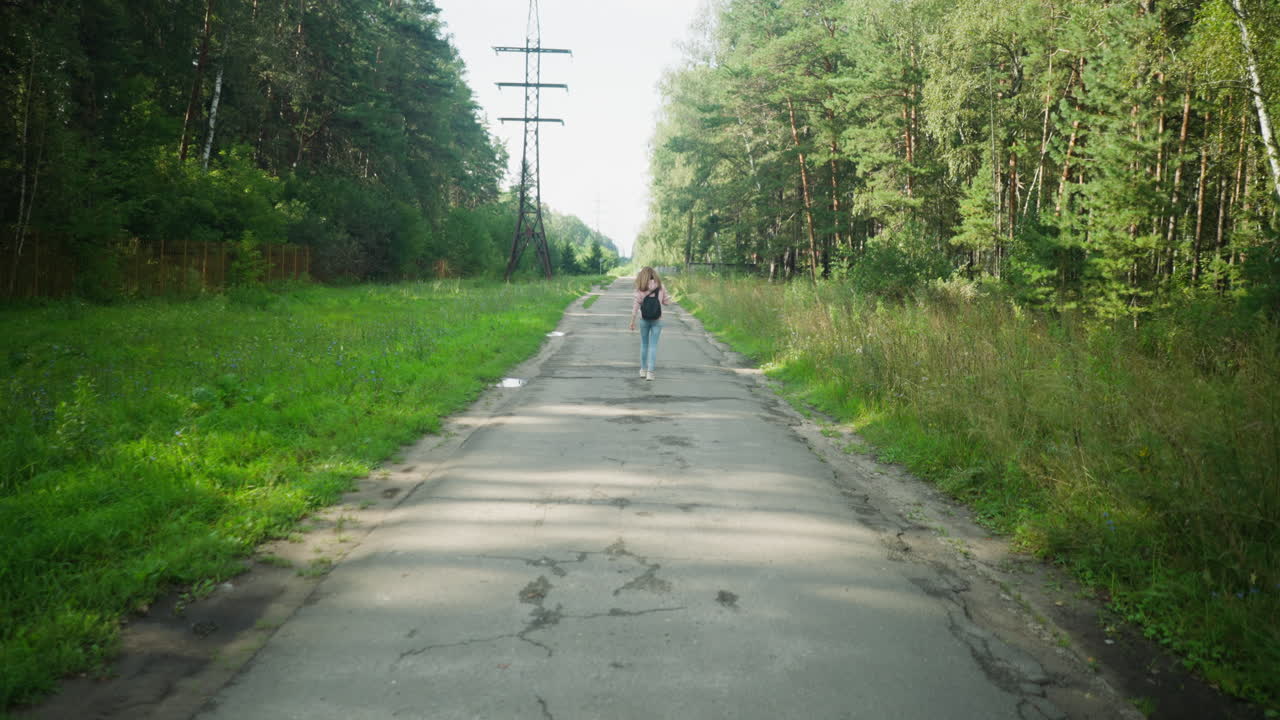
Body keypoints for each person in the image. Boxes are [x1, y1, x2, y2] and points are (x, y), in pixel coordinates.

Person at [628, 266, 671, 381]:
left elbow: (636, 306)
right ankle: (650, 373)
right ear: (654, 274)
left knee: (644, 345)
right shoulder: (661, 286)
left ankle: (642, 370)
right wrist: (665, 299)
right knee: (653, 346)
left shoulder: (640, 288)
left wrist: (632, 321)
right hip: (658, 320)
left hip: (644, 320)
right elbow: (666, 302)